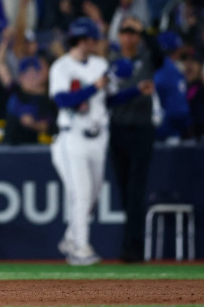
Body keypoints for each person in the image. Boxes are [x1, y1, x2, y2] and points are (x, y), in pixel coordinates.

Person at [48, 17, 109, 266]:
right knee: (81, 195)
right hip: (71, 137)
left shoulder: (100, 64)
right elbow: (62, 101)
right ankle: (80, 248)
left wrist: (137, 91)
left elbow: (109, 98)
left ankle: (71, 237)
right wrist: (93, 88)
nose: (96, 42)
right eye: (93, 38)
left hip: (99, 136)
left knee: (92, 197)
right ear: (83, 40)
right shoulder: (61, 67)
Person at [107, 15, 160, 263]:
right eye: (126, 32)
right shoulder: (111, 62)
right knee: (124, 190)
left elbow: (160, 53)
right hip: (117, 129)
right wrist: (134, 92)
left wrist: (145, 29)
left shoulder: (146, 59)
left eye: (133, 33)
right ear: (119, 36)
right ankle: (132, 243)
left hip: (141, 129)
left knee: (135, 190)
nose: (129, 37)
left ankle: (133, 248)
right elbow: (106, 98)